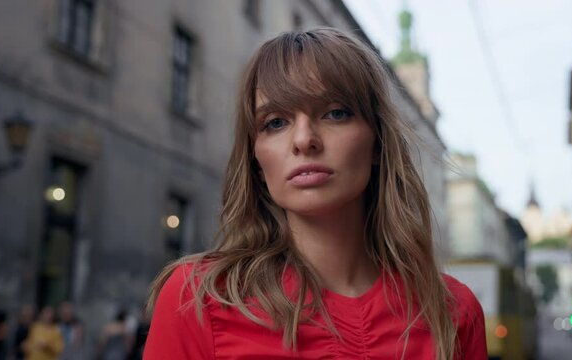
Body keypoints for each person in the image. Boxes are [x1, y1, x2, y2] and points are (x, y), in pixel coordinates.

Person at [144, 28, 487, 359]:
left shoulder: (454, 313)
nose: (304, 139)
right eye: (275, 122)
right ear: (256, 158)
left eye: (335, 113)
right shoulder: (199, 300)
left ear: (378, 143)